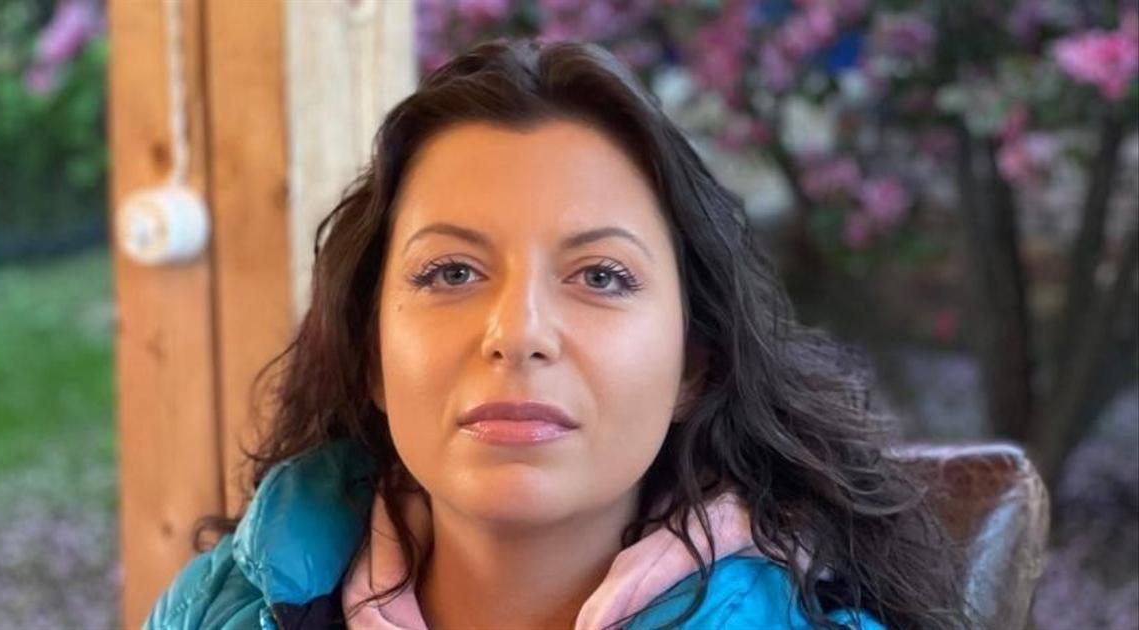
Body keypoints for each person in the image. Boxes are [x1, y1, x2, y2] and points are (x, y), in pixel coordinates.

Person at [144, 39, 967, 629]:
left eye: (601, 276)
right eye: (451, 273)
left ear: (694, 365)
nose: (518, 333)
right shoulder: (213, 610)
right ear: (371, 359)